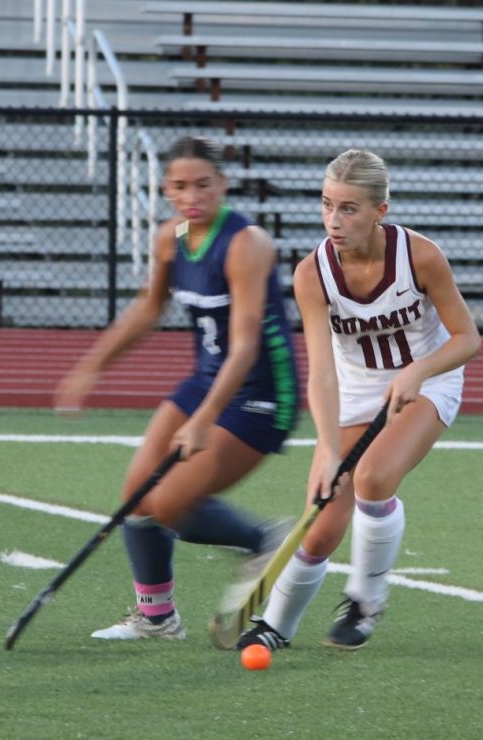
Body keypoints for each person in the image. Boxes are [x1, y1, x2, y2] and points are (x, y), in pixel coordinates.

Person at [54, 135, 299, 641]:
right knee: (137, 494)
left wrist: (204, 419)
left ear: (223, 185)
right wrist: (92, 366)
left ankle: (264, 540)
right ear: (166, 189)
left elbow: (246, 345)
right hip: (207, 379)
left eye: (204, 185)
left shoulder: (245, 244)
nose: (193, 196)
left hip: (262, 392)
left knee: (169, 504)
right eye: (181, 186)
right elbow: (149, 307)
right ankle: (158, 618)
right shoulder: (173, 235)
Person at [236, 149, 481, 651]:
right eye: (327, 205)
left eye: (348, 208)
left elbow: (467, 339)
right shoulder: (313, 273)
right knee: (320, 524)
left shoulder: (421, 257)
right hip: (355, 387)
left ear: (380, 212)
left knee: (372, 478)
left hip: (429, 378)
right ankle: (277, 624)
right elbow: (322, 373)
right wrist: (327, 450)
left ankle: (366, 600)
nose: (334, 220)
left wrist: (419, 370)